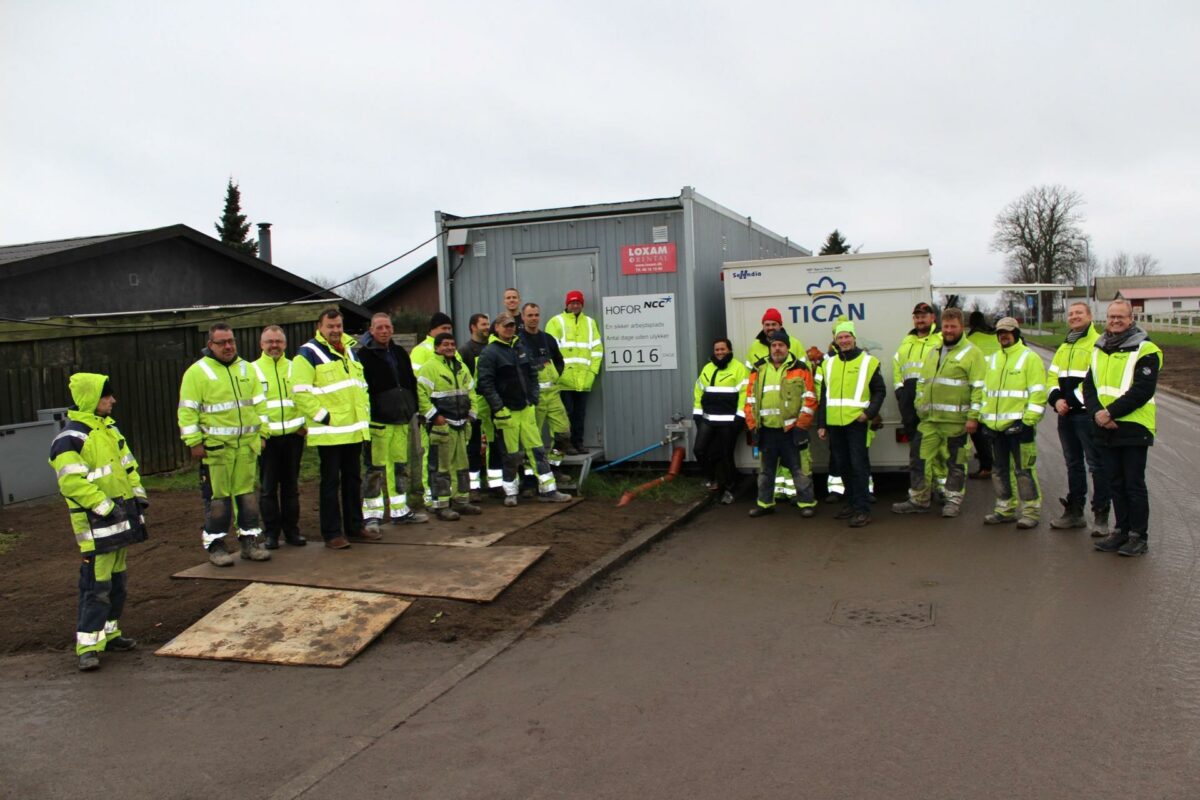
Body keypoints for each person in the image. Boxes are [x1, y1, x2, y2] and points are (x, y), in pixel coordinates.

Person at [49, 373, 148, 671]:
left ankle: (109, 634)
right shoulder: (70, 439)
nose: (113, 400)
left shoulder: (109, 429)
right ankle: (87, 646)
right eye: (107, 396)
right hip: (97, 525)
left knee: (117, 582)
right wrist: (105, 508)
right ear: (92, 398)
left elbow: (128, 465)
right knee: (95, 585)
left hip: (118, 518)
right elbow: (71, 484)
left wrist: (138, 496)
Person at [178, 323, 269, 566]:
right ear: (210, 345)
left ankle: (249, 542)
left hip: (246, 448)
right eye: (221, 342)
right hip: (216, 450)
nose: (228, 346)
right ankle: (216, 547)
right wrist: (194, 442)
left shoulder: (248, 369)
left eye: (231, 341)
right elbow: (187, 412)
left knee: (247, 498)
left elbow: (261, 405)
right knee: (218, 501)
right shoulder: (196, 373)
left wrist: (263, 435)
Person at [1085, 300, 1162, 557]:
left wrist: (1110, 412)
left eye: (1120, 317)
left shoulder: (1146, 349)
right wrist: (1098, 413)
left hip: (1133, 426)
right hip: (1105, 425)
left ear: (1131, 319)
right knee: (1115, 482)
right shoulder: (1099, 348)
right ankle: (1121, 531)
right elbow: (1089, 387)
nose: (1115, 320)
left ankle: (1139, 536)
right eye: (1111, 316)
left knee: (1133, 483)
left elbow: (1142, 390)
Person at [891, 308, 984, 518]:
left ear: (962, 327)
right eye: (946, 327)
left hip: (956, 422)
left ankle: (952, 501)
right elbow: (923, 381)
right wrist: (918, 404)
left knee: (955, 462)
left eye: (953, 327)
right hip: (929, 421)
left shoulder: (972, 353)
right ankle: (919, 499)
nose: (949, 331)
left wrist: (973, 417)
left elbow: (979, 388)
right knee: (919, 458)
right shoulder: (935, 351)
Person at [290, 308, 371, 549]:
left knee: (353, 480)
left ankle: (355, 527)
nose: (335, 330)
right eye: (330, 326)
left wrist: (363, 418)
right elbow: (299, 392)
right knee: (330, 483)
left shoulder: (350, 351)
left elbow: (359, 388)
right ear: (320, 327)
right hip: (330, 433)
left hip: (354, 430)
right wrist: (324, 417)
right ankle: (332, 533)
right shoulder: (307, 353)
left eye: (338, 326)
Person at [477, 312, 572, 506]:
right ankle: (510, 493)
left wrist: (533, 397)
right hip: (506, 412)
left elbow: (533, 374)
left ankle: (549, 490)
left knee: (537, 451)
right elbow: (485, 384)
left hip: (526, 408)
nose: (509, 328)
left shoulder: (520, 347)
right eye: (505, 326)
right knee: (511, 455)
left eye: (512, 325)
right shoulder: (490, 352)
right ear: (497, 328)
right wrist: (499, 408)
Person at [356, 312, 427, 534]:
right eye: (379, 328)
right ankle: (372, 516)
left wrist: (413, 407)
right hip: (378, 422)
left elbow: (409, 381)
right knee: (375, 468)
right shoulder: (364, 356)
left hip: (401, 420)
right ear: (371, 330)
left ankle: (399, 510)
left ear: (392, 330)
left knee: (399, 466)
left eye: (387, 327)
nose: (384, 331)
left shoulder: (399, 353)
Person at [1047, 301, 1110, 535]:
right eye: (1071, 314)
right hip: (1065, 415)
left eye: (1079, 313)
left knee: (1096, 465)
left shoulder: (1098, 344)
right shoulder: (1065, 346)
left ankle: (1101, 515)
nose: (1074, 317)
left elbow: (1095, 380)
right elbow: (1052, 377)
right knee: (1073, 464)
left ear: (1090, 316)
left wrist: (1070, 401)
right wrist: (1055, 399)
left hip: (1086, 415)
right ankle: (1074, 512)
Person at [979, 317, 1047, 529]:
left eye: (1007, 332)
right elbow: (985, 393)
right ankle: (1004, 510)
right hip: (996, 428)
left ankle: (1030, 512)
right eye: (1000, 333)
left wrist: (1028, 423)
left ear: (1016, 334)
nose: (1003, 336)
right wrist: (984, 420)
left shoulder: (1030, 358)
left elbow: (1038, 394)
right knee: (999, 470)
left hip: (1019, 427)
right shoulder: (992, 359)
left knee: (1024, 470)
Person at [816, 321, 885, 528]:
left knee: (858, 466)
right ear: (835, 341)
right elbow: (824, 396)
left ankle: (863, 509)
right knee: (843, 466)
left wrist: (868, 414)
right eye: (840, 337)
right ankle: (852, 504)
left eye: (847, 336)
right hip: (835, 424)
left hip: (856, 423)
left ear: (854, 338)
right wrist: (822, 424)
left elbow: (880, 391)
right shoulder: (828, 364)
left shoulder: (868, 362)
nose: (844, 340)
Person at [744, 332, 817, 517]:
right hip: (766, 431)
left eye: (781, 345)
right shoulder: (758, 369)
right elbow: (750, 400)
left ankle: (806, 504)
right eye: (774, 345)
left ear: (787, 347)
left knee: (800, 471)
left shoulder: (800, 369)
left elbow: (810, 399)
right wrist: (753, 427)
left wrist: (801, 427)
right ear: (770, 347)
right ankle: (764, 504)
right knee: (766, 472)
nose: (777, 348)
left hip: (792, 431)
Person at [743, 308, 806, 501]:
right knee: (768, 466)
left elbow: (806, 379)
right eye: (767, 324)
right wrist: (750, 419)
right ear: (763, 326)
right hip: (767, 422)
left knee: (797, 465)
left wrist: (804, 419)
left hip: (790, 421)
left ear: (780, 325)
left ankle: (799, 498)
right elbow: (749, 384)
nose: (770, 328)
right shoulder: (755, 347)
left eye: (774, 324)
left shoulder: (795, 343)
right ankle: (772, 498)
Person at [417, 332, 481, 520]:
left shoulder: (461, 368)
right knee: (441, 468)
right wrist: (435, 417)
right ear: (437, 347)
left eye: (452, 344)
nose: (450, 347)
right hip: (441, 427)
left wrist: (472, 414)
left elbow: (471, 391)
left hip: (461, 424)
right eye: (445, 344)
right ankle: (441, 505)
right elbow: (421, 395)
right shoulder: (429, 368)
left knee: (462, 466)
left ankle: (461, 501)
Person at [254, 325, 306, 549]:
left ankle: (292, 532)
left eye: (278, 341)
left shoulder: (296, 368)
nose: (274, 345)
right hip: (268, 441)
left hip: (294, 438)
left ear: (285, 344)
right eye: (269, 342)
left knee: (291, 487)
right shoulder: (252, 370)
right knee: (267, 489)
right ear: (261, 344)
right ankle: (271, 534)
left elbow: (307, 396)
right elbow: (250, 407)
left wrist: (304, 424)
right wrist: (260, 435)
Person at [893, 302, 943, 501]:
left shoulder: (940, 340)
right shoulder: (907, 342)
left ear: (933, 318)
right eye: (917, 316)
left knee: (939, 451)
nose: (920, 319)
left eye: (924, 315)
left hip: (934, 404)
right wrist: (900, 391)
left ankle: (941, 490)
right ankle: (922, 493)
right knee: (917, 451)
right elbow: (897, 366)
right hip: (910, 405)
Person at [519, 302, 574, 481]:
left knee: (563, 433)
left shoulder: (548, 339)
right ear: (523, 317)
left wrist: (556, 375)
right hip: (533, 398)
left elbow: (559, 360)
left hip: (553, 396)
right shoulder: (518, 341)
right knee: (532, 438)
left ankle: (554, 467)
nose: (534, 318)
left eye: (536, 315)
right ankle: (529, 478)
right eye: (530, 315)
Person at [693, 338, 750, 505]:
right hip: (709, 419)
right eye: (717, 349)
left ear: (729, 351)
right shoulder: (707, 368)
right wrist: (697, 414)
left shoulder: (739, 368)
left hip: (729, 422)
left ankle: (730, 489)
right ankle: (711, 479)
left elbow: (744, 394)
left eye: (722, 349)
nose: (719, 352)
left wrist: (740, 417)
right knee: (699, 450)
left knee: (726, 456)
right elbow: (698, 391)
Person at [545, 290, 602, 455]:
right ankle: (564, 445)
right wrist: (556, 375)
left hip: (584, 380)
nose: (575, 305)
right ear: (567, 304)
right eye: (572, 302)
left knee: (579, 414)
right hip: (563, 381)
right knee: (564, 415)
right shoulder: (556, 322)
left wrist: (592, 373)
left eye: (578, 302)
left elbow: (597, 350)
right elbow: (549, 350)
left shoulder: (590, 323)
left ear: (582, 304)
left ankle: (578, 443)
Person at [459, 313, 495, 496]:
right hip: (476, 405)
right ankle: (474, 487)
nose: (487, 327)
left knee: (494, 444)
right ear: (473, 327)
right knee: (473, 447)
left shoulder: (492, 347)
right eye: (483, 324)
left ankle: (495, 484)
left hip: (493, 405)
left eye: (488, 324)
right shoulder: (465, 351)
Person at [966, 310, 998, 478]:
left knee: (977, 431)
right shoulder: (995, 337)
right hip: (998, 391)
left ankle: (986, 466)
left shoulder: (970, 340)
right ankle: (998, 461)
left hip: (979, 390)